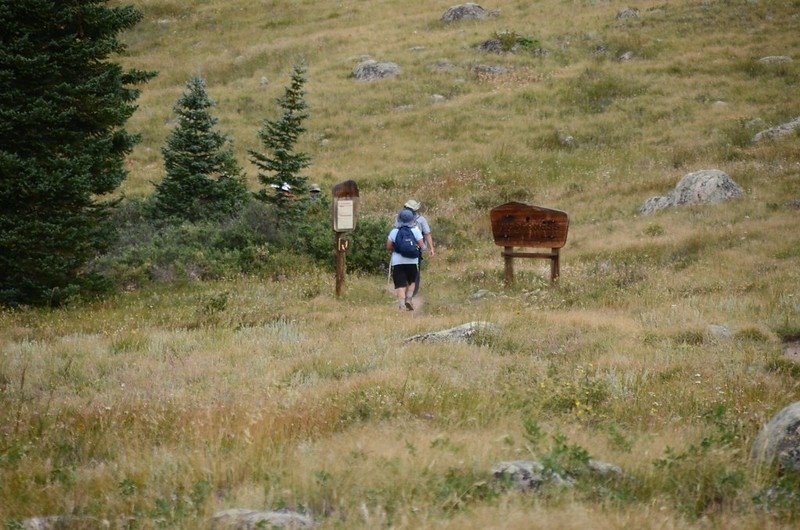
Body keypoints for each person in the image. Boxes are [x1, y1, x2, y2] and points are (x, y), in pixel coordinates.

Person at [395, 199, 434, 297]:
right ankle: (412, 293)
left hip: (401, 250)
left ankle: (403, 292)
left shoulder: (399, 219)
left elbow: (395, 232)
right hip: (416, 250)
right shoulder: (421, 220)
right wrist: (430, 248)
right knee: (415, 271)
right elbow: (427, 234)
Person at [387, 209, 424, 310]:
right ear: (412, 220)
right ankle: (409, 298)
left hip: (397, 261)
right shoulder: (415, 231)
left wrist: (397, 248)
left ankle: (402, 305)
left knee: (400, 284)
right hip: (412, 261)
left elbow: (388, 246)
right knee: (412, 281)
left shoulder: (394, 231)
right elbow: (422, 245)